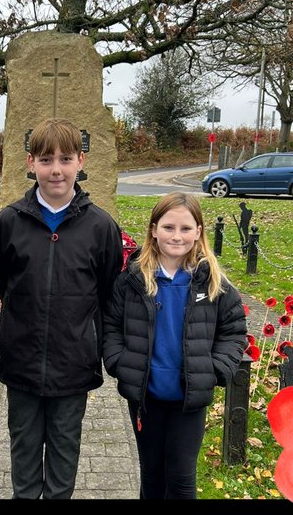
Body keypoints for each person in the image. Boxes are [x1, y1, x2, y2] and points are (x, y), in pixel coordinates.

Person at [0, 117, 123, 499]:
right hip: (22, 364)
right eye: (46, 160)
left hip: (73, 365)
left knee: (64, 464)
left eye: (65, 159)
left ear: (80, 162)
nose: (56, 170)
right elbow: (6, 285)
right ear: (31, 164)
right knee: (25, 462)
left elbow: (106, 293)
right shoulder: (10, 221)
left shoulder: (100, 226)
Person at [102, 193, 247, 499]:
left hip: (188, 398)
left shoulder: (214, 284)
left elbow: (233, 333)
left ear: (198, 232)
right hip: (146, 396)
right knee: (152, 477)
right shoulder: (132, 280)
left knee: (181, 479)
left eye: (185, 228)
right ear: (154, 229)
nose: (176, 236)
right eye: (168, 227)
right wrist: (119, 362)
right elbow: (111, 326)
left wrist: (213, 371)